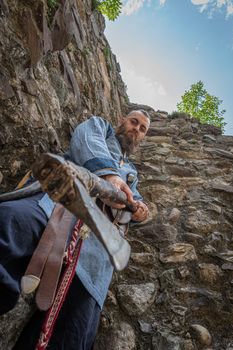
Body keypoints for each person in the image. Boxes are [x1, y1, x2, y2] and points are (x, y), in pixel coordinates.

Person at [0, 110, 150, 349]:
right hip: (59, 203)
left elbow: (137, 202)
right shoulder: (101, 128)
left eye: (143, 129)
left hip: (98, 245)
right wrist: (111, 177)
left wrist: (141, 210)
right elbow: (85, 136)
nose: (136, 129)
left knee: (75, 326)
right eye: (134, 122)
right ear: (123, 119)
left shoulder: (132, 174)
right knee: (11, 222)